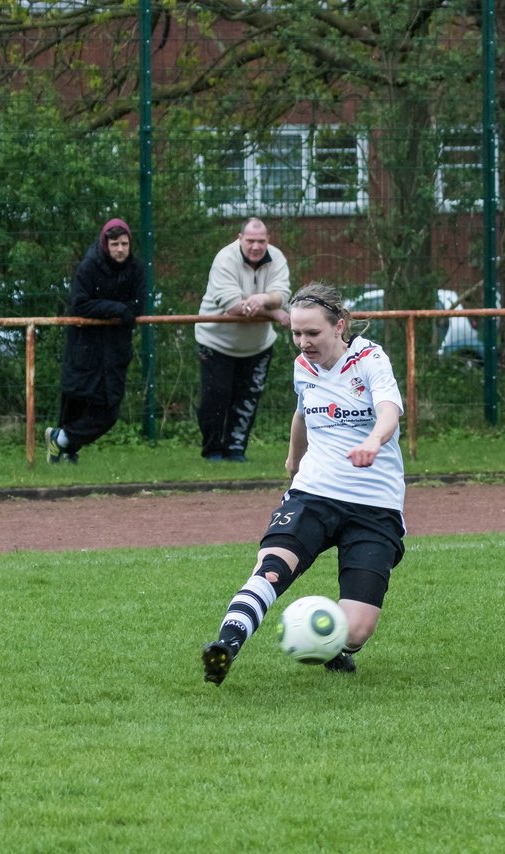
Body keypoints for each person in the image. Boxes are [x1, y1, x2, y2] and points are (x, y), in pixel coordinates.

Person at [201, 282, 406, 686]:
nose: (303, 342)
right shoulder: (302, 366)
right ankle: (224, 647)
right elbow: (301, 414)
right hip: (315, 491)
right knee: (272, 568)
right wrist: (295, 461)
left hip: (374, 503)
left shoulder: (369, 359)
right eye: (296, 333)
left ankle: (335, 647)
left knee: (358, 630)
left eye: (312, 333)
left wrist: (373, 440)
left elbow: (389, 411)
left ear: (339, 327)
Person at [45, 218, 147, 464]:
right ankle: (66, 453)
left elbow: (138, 305)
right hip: (84, 348)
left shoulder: (137, 270)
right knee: (75, 402)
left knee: (109, 411)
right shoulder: (89, 267)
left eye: (124, 244)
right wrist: (116, 309)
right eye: (115, 244)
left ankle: (60, 440)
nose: (120, 249)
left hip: (115, 350)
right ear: (105, 244)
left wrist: (117, 311)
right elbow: (79, 304)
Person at [195, 218, 292, 462]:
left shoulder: (277, 258)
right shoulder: (225, 259)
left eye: (261, 241)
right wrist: (271, 310)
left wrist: (262, 299)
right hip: (215, 342)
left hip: (258, 345)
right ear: (240, 239)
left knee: (247, 399)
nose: (256, 247)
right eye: (250, 241)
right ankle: (212, 452)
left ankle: (236, 451)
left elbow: (283, 296)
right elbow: (234, 308)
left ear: (268, 240)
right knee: (216, 396)